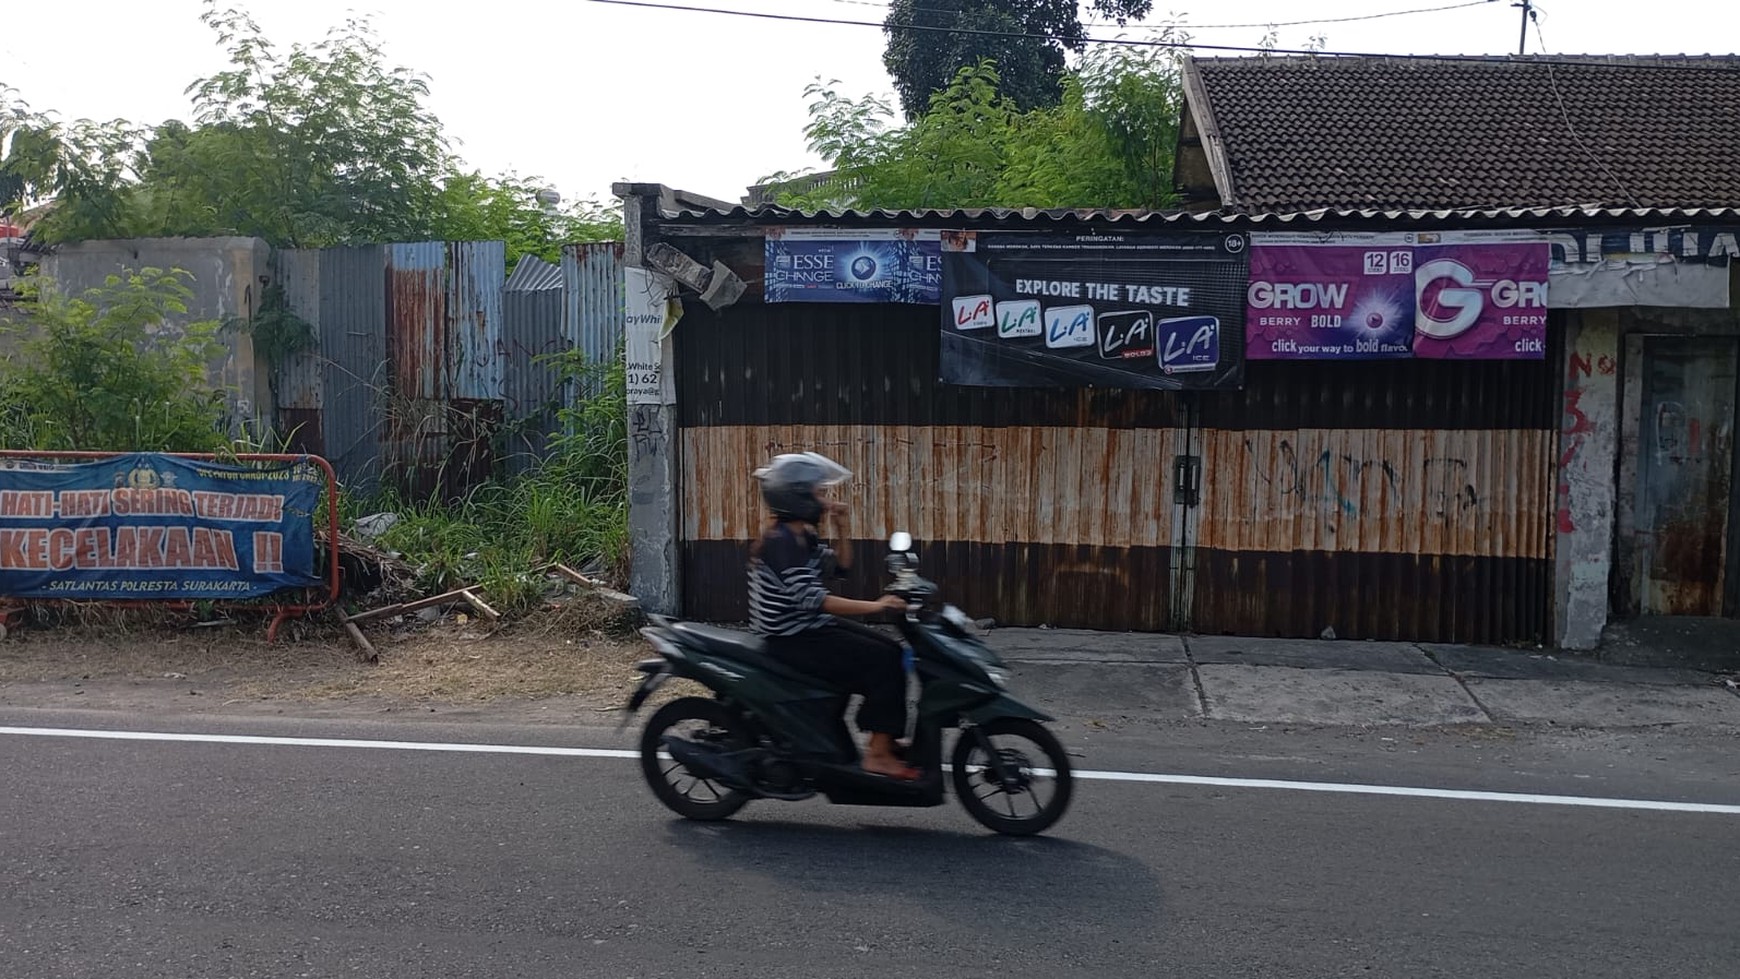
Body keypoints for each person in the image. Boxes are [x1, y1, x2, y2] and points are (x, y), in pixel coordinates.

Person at [747, 452, 920, 781]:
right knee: (882, 661)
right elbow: (816, 600)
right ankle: (878, 755)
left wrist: (841, 526)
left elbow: (840, 567)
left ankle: (880, 739)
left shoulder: (801, 536)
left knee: (894, 652)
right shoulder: (779, 542)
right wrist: (877, 606)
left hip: (808, 628)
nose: (825, 501)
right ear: (796, 497)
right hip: (790, 639)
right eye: (819, 494)